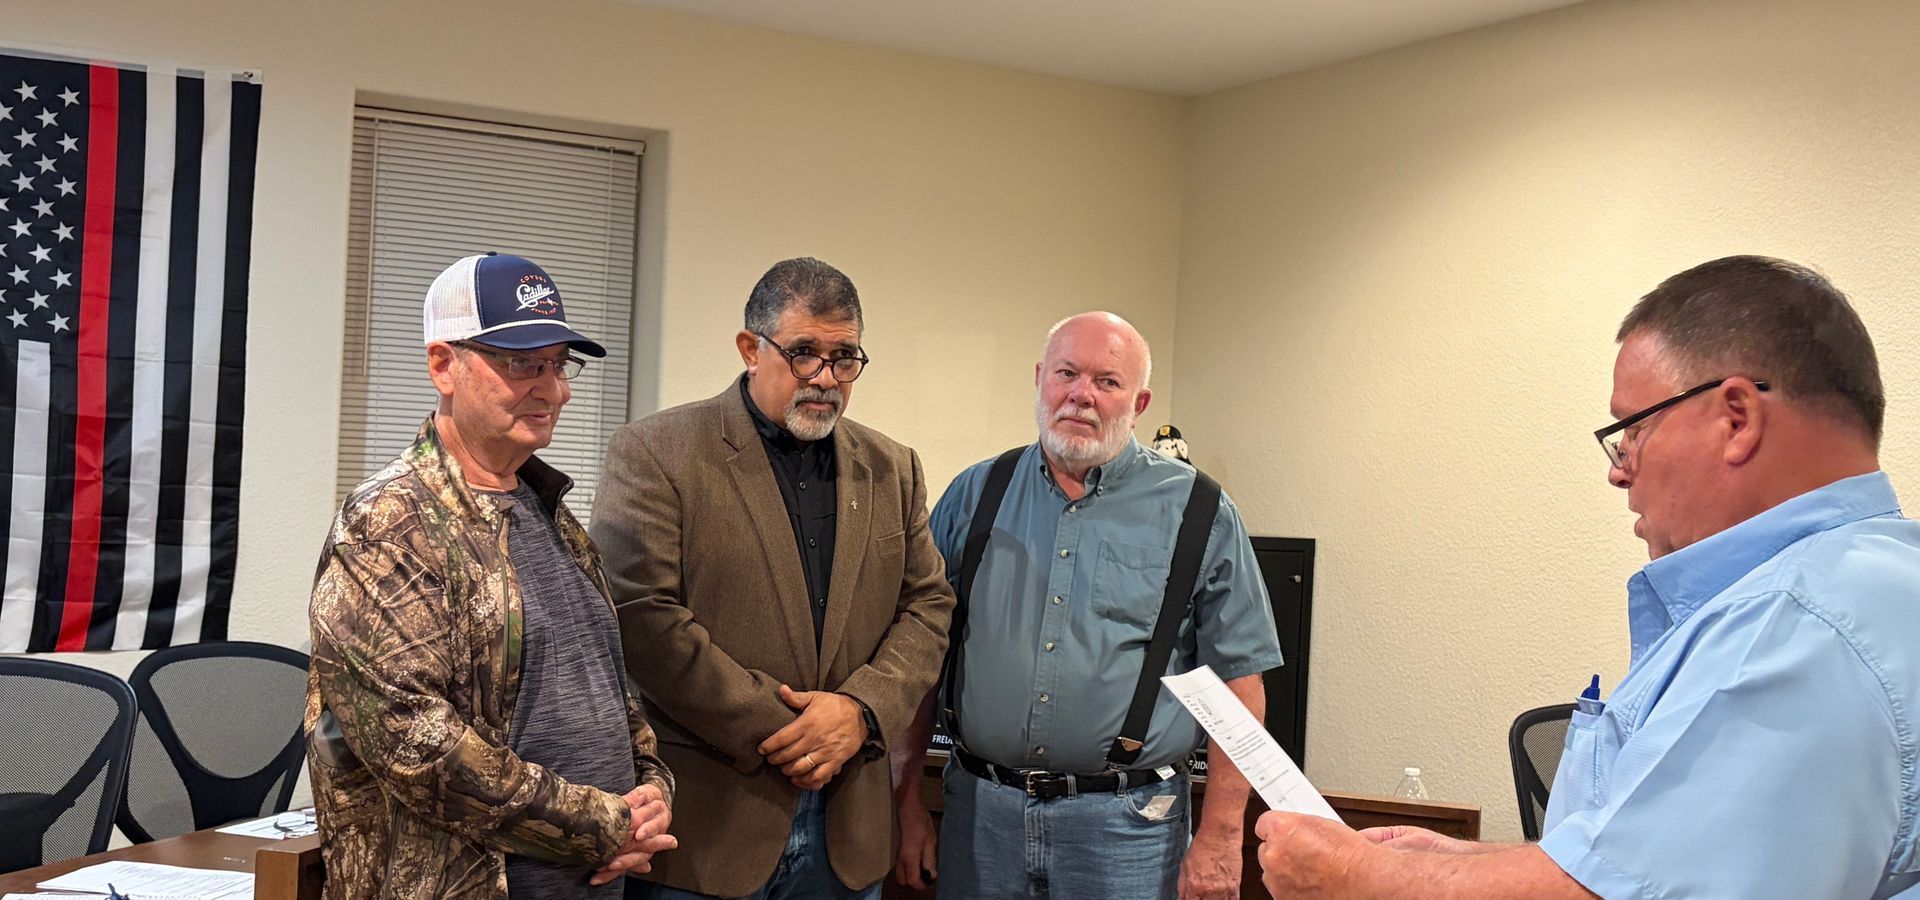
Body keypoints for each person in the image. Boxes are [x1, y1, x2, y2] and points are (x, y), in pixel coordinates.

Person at [1256, 256, 1920, 899]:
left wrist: (1359, 881)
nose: (1618, 469)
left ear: (1735, 419)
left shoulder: (1794, 628)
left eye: (1631, 431)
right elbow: (1667, 858)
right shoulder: (1877, 582)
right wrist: (1469, 865)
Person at [307, 253, 677, 899]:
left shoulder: (552, 517)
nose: (552, 389)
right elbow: (415, 739)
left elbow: (612, 693)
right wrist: (601, 824)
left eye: (559, 365)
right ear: (443, 365)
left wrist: (651, 791)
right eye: (521, 363)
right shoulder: (388, 524)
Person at [591, 257, 955, 899]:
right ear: (750, 349)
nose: (825, 378)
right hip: (708, 830)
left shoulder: (892, 467)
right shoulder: (656, 452)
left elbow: (927, 605)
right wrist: (789, 729)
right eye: (803, 354)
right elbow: (642, 616)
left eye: (845, 358)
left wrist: (859, 713)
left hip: (849, 834)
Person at [896, 311, 1284, 900]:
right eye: (1066, 373)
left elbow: (1240, 687)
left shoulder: (1199, 510)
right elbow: (921, 658)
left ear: (1140, 400)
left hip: (1129, 831)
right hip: (981, 816)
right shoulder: (974, 494)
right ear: (1039, 378)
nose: (1081, 395)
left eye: (1107, 381)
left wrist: (1222, 837)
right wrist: (904, 804)